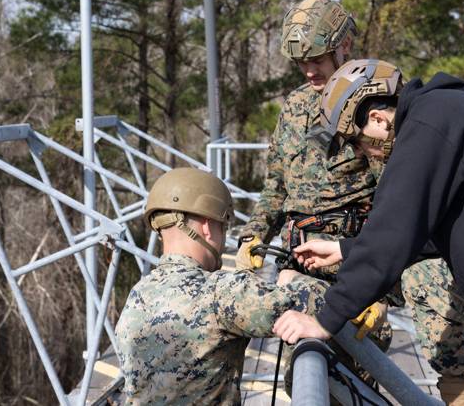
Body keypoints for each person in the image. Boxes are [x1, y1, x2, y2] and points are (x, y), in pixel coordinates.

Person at [273, 58, 464, 405]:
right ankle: (459, 398)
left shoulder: (426, 126)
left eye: (357, 142)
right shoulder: (442, 111)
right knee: (423, 279)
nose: (362, 151)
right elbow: (423, 231)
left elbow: (394, 229)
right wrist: (347, 249)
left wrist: (324, 321)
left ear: (377, 119)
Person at [235, 0, 392, 352]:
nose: (309, 71)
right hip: (298, 267)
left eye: (317, 60)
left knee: (357, 380)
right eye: (301, 62)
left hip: (352, 269)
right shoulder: (294, 105)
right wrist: (253, 235)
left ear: (345, 46)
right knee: (304, 374)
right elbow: (276, 185)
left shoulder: (376, 104)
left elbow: (394, 203)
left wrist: (380, 287)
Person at [115, 168, 328, 405]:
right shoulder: (219, 292)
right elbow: (315, 299)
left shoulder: (137, 295)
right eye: (223, 227)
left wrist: (243, 276)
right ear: (207, 227)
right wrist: (291, 279)